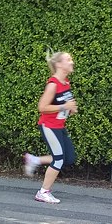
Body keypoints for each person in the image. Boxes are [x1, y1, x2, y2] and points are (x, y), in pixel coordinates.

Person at [22, 51, 79, 204]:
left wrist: (70, 108)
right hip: (49, 127)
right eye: (68, 59)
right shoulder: (53, 84)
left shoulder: (65, 82)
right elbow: (42, 107)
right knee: (59, 159)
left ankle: (34, 160)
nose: (72, 62)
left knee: (68, 158)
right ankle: (43, 192)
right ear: (59, 64)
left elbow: (65, 103)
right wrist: (64, 106)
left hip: (59, 126)